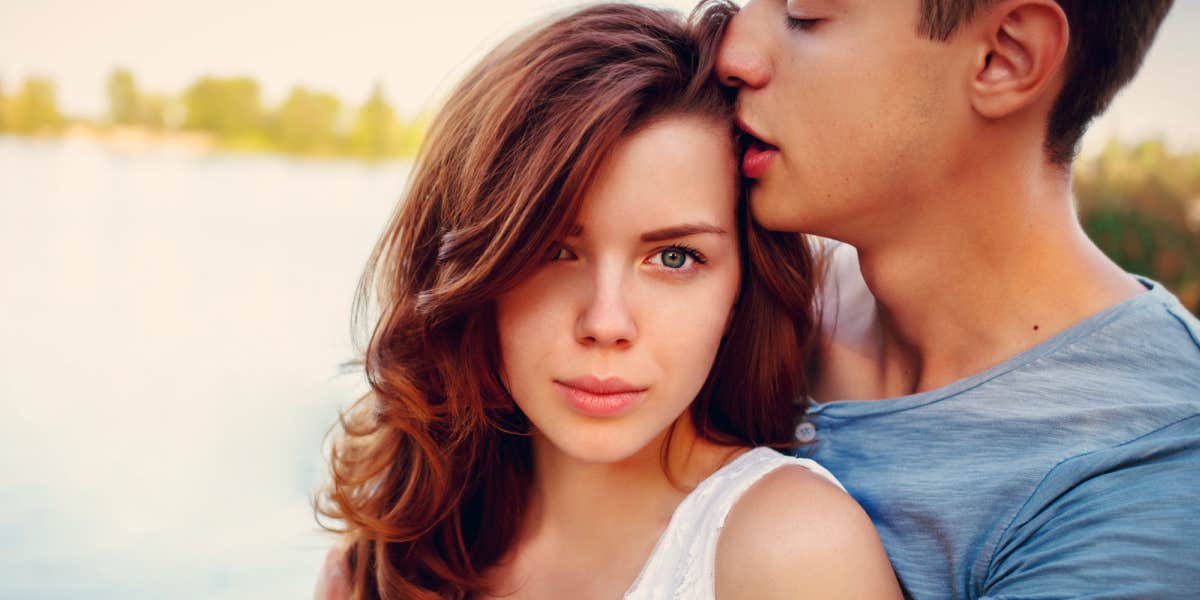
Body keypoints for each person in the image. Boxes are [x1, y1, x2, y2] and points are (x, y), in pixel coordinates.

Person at [312, 4, 901, 599]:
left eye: (674, 257)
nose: (606, 323)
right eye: (552, 251)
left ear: (740, 292)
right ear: (474, 266)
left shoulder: (794, 555)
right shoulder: (385, 554)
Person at [714, 0, 1200, 597]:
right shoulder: (723, 302)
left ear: (1004, 58)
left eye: (801, 14)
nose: (730, 53)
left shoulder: (1145, 479)